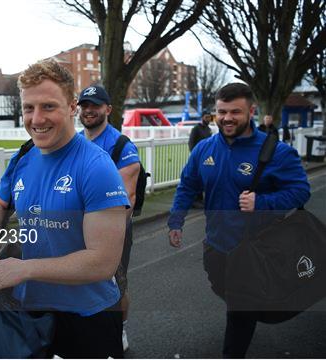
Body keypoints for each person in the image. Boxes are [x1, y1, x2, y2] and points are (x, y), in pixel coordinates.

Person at [0, 60, 129, 358]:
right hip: (31, 311)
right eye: (28, 108)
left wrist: (24, 269)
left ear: (72, 106)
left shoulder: (96, 167)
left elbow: (103, 261)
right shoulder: (24, 157)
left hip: (87, 318)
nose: (36, 118)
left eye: (48, 106)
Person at [167, 83, 310, 358]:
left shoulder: (276, 152)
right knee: (225, 290)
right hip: (216, 246)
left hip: (256, 249)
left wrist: (262, 203)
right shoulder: (204, 149)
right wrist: (176, 221)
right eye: (222, 112)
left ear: (251, 111)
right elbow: (187, 185)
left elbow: (300, 191)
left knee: (239, 309)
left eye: (235, 112)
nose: (227, 118)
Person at [77, 84, 140, 352]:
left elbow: (127, 199)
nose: (89, 110)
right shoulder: (74, 141)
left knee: (115, 284)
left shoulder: (121, 146)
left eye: (95, 105)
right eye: (85, 105)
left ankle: (120, 328)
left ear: (108, 109)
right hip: (75, 229)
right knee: (78, 282)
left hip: (113, 232)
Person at [188, 110, 213, 207]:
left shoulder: (208, 129)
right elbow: (191, 143)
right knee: (196, 178)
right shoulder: (196, 129)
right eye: (206, 117)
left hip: (207, 158)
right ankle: (194, 200)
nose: (208, 119)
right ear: (202, 117)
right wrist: (195, 155)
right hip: (198, 157)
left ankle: (200, 198)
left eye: (209, 117)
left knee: (203, 178)